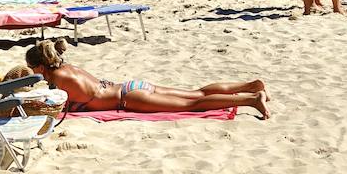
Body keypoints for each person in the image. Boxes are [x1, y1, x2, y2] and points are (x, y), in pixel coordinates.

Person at [25, 39, 269, 118]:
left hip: (129, 99)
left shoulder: (58, 78)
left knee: (192, 105)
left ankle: (251, 99)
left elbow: (57, 105)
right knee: (197, 93)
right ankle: (250, 85)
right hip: (131, 86)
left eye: (31, 68)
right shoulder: (68, 67)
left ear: (39, 66)